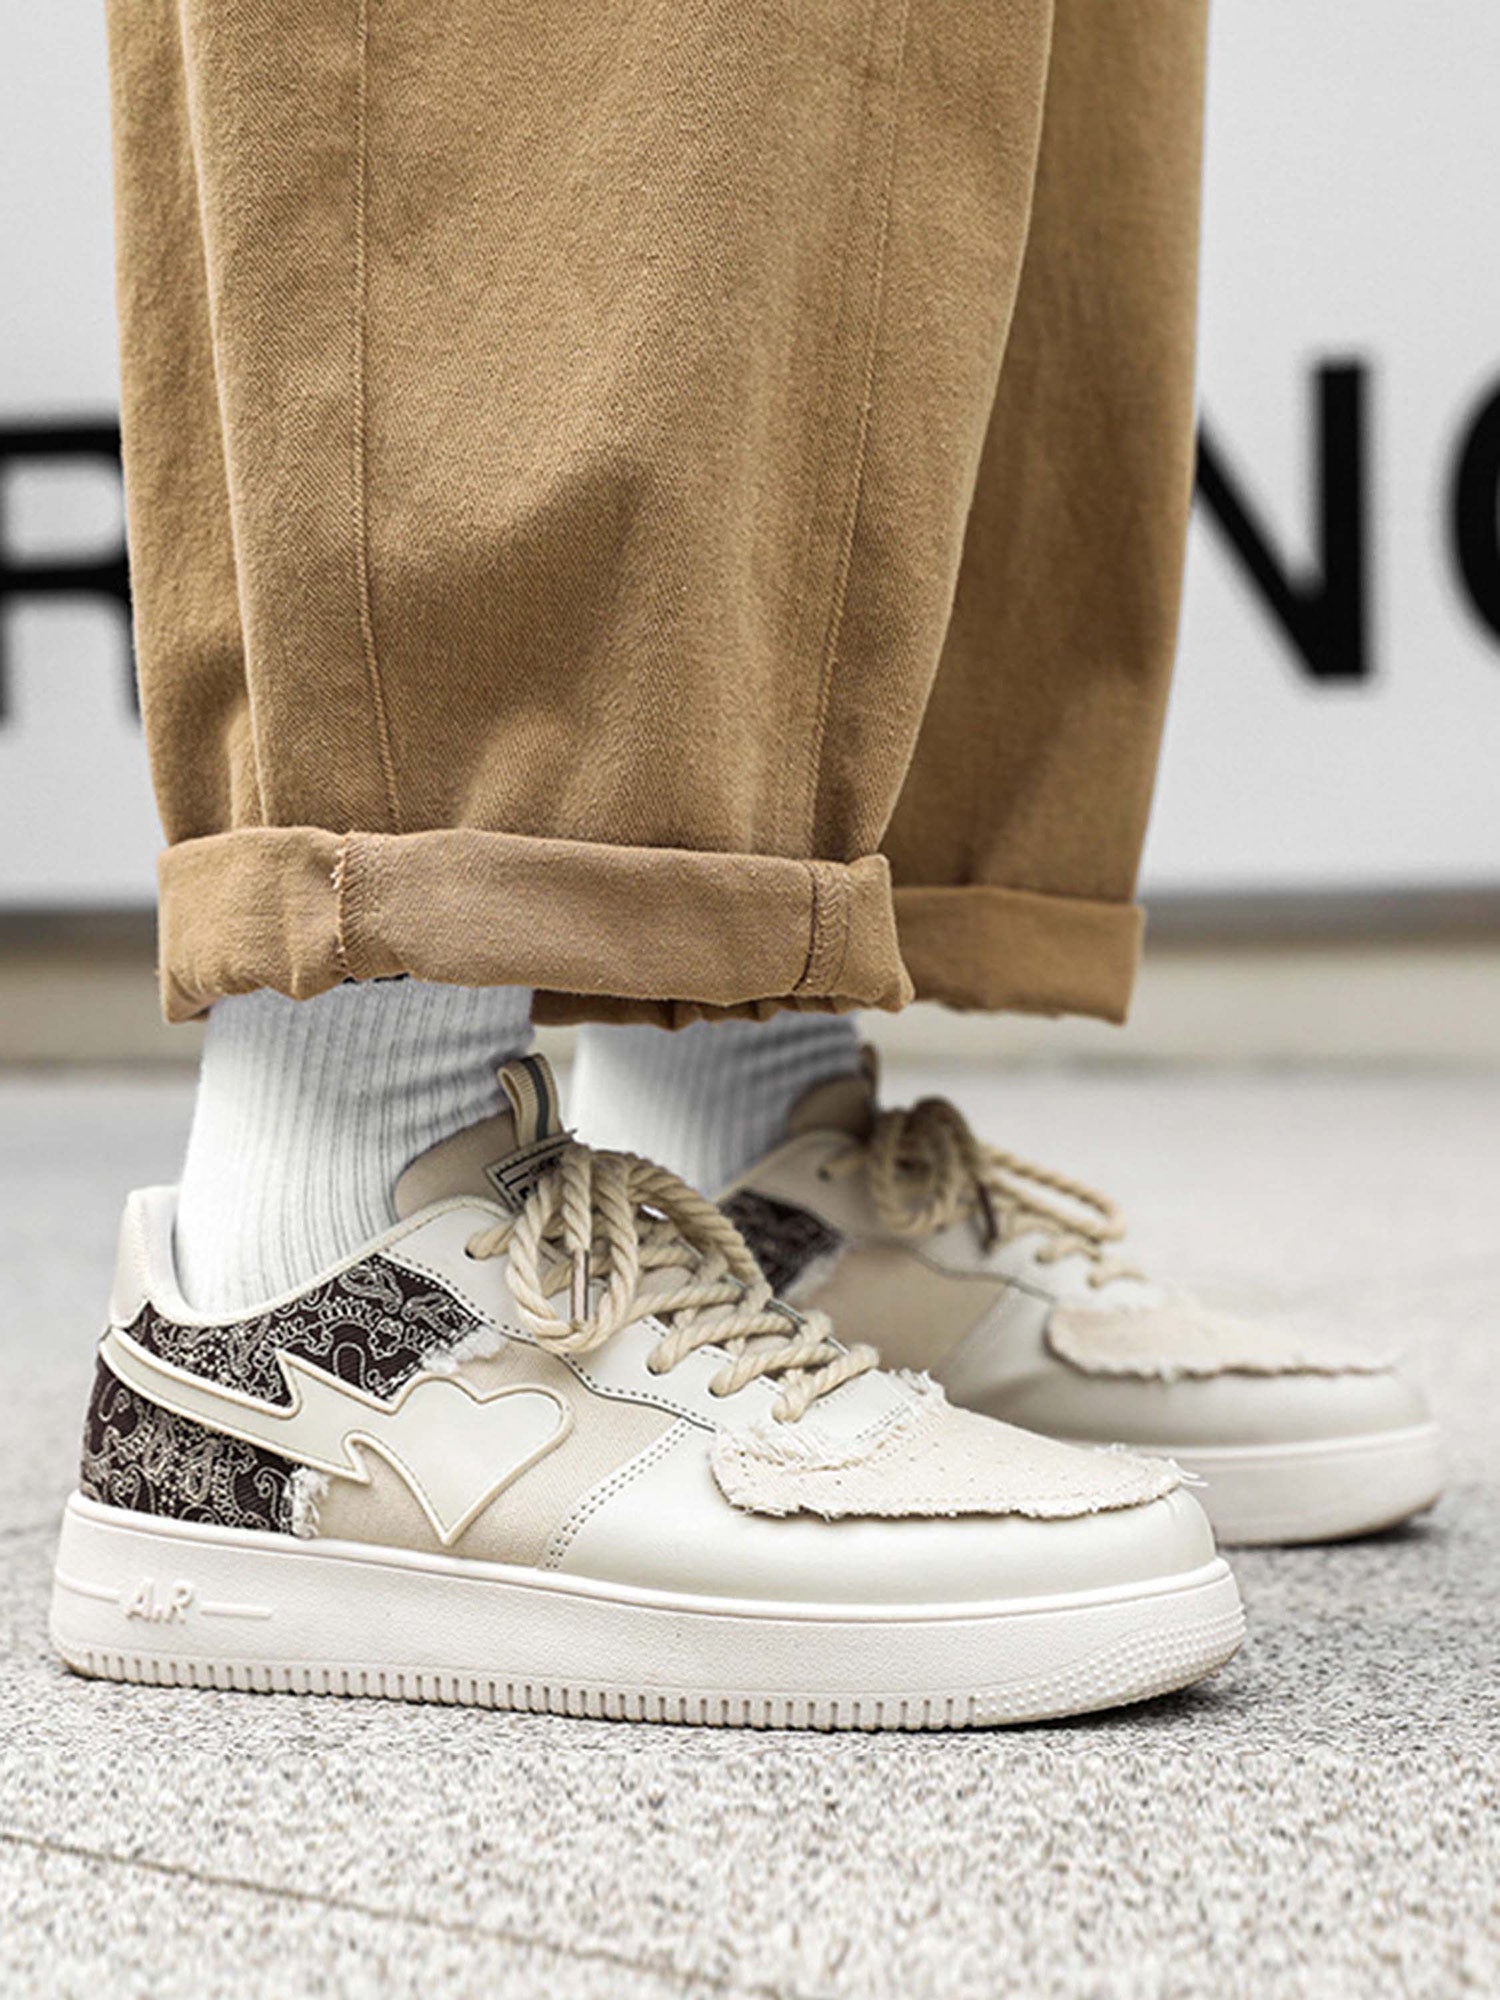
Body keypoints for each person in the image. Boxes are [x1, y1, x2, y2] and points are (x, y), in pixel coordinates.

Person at [50, 0, 1438, 1727]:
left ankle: (746, 1148)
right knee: (579, 76)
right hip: (320, 1326)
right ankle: (325, 1237)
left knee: (957, 121)